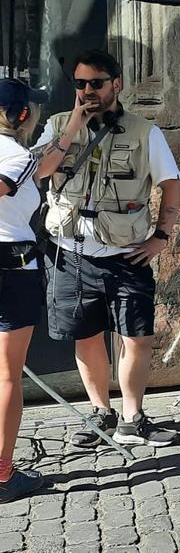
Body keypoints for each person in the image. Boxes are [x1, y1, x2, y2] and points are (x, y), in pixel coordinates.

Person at [33, 50, 180, 447]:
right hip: (70, 252)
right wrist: (72, 127)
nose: (87, 91)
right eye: (80, 83)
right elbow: (42, 172)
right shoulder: (56, 126)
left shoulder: (145, 132)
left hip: (125, 253)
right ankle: (101, 411)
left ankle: (133, 417)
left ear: (116, 83)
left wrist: (161, 236)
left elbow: (172, 183)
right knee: (86, 336)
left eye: (96, 83)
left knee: (137, 337)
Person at [0, 79, 58, 501]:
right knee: (7, 377)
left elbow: (48, 161)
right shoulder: (16, 155)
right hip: (13, 266)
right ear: (23, 114)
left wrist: (74, 122)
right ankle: (2, 474)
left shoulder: (26, 156)